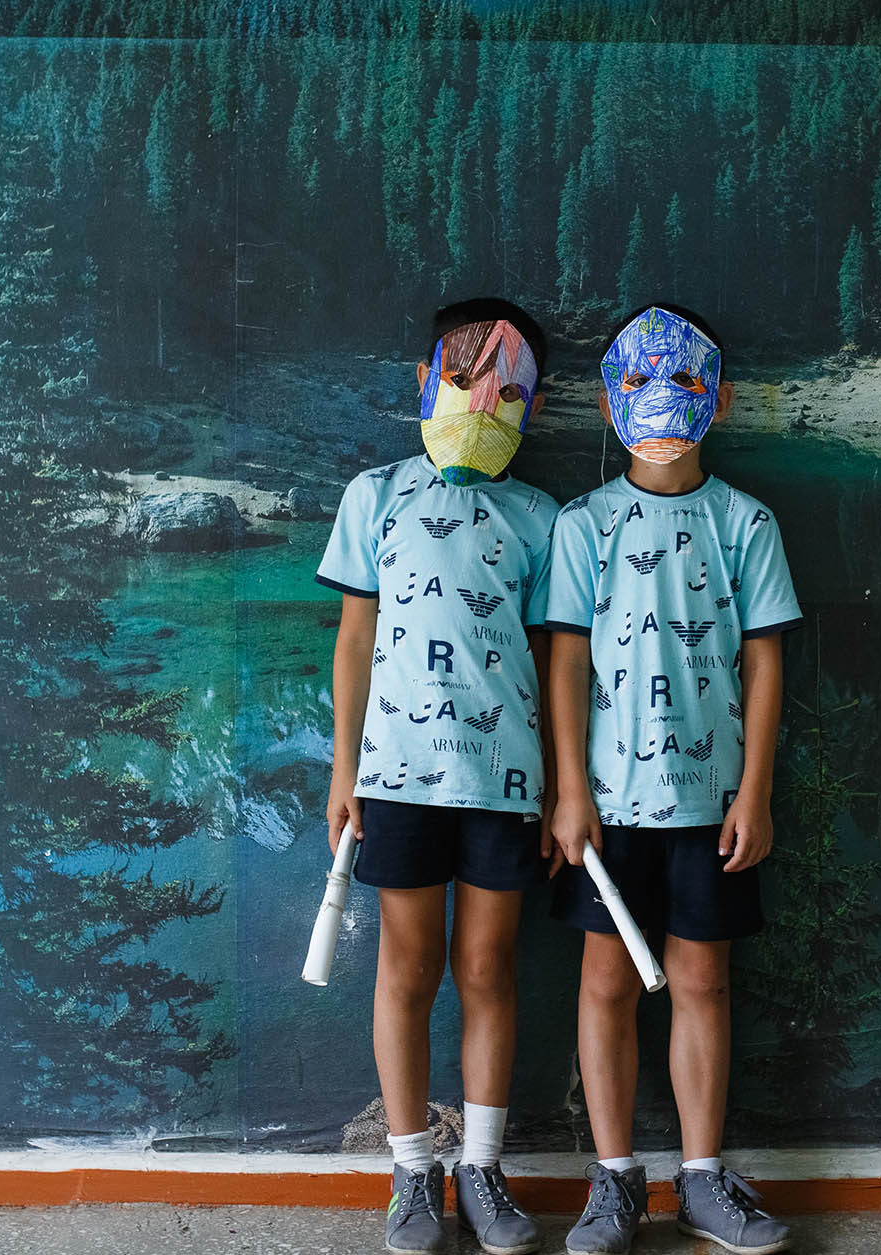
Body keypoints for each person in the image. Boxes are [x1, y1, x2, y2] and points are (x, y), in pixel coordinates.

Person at [542, 304, 801, 1255]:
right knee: (605, 981)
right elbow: (566, 660)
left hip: (711, 802)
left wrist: (755, 791)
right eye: (638, 381)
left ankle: (700, 1177)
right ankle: (614, 1180)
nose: (660, 399)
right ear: (607, 404)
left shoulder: (746, 523)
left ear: (719, 400)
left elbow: (765, 660)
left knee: (704, 979)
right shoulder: (584, 525)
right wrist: (570, 790)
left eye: (685, 380)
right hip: (608, 808)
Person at [317, 298, 559, 1255]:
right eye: (462, 375)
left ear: (530, 402)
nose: (480, 396)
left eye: (504, 384)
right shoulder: (374, 495)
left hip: (503, 780)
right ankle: (413, 1167)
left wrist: (558, 784)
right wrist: (344, 768)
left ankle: (483, 1166)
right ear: (428, 379)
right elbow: (355, 639)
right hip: (396, 775)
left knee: (489, 968)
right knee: (408, 967)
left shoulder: (540, 517)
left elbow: (555, 659)